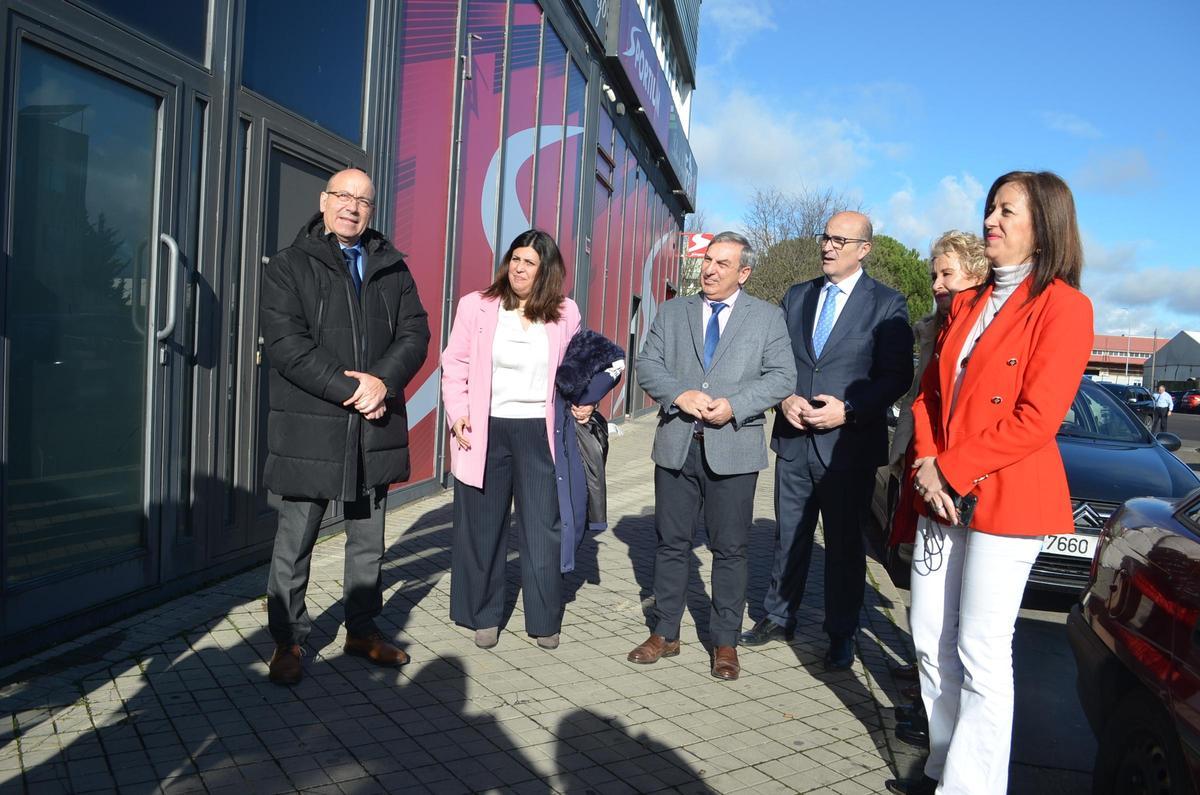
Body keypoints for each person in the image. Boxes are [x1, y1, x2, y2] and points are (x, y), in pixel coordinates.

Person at [889, 172, 1094, 795]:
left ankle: (970, 787)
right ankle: (944, 760)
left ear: (1045, 227)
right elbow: (927, 394)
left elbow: (1037, 418)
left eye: (1007, 211)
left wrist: (949, 467)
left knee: (980, 652)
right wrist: (928, 466)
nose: (991, 222)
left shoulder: (1065, 306)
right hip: (940, 495)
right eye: (989, 209)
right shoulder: (969, 302)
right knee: (928, 638)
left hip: (1008, 498)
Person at [260, 168, 431, 685]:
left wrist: (383, 381)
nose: (352, 207)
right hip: (313, 428)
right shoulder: (289, 266)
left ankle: (361, 630)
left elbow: (415, 333)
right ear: (324, 201)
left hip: (372, 431)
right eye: (343, 197)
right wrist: (356, 389)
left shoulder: (392, 267)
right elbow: (288, 346)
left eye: (363, 200)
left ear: (372, 210)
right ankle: (287, 640)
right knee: (295, 542)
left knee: (367, 541)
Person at [742, 212, 913, 673]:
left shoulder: (888, 304)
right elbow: (773, 362)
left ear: (864, 249)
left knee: (844, 545)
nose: (828, 246)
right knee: (788, 537)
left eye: (840, 239)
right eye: (826, 237)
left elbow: (897, 375)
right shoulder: (797, 296)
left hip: (848, 448)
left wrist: (850, 408)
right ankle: (779, 616)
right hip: (795, 440)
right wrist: (786, 398)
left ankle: (841, 633)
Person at [629, 232, 795, 681]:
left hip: (734, 449)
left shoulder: (767, 318)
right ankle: (665, 632)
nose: (710, 269)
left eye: (723, 263)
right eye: (707, 260)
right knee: (671, 543)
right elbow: (648, 365)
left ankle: (725, 641)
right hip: (678, 446)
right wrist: (679, 394)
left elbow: (783, 376)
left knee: (731, 550)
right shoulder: (673, 310)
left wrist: (736, 405)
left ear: (744, 272)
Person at [441, 230, 582, 651]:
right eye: (515, 259)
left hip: (539, 432)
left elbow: (577, 369)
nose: (519, 268)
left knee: (542, 528)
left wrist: (586, 402)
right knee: (483, 527)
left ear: (547, 272)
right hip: (486, 428)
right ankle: (483, 615)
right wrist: (458, 413)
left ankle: (543, 619)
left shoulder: (565, 312)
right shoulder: (477, 306)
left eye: (529, 263)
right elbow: (455, 364)